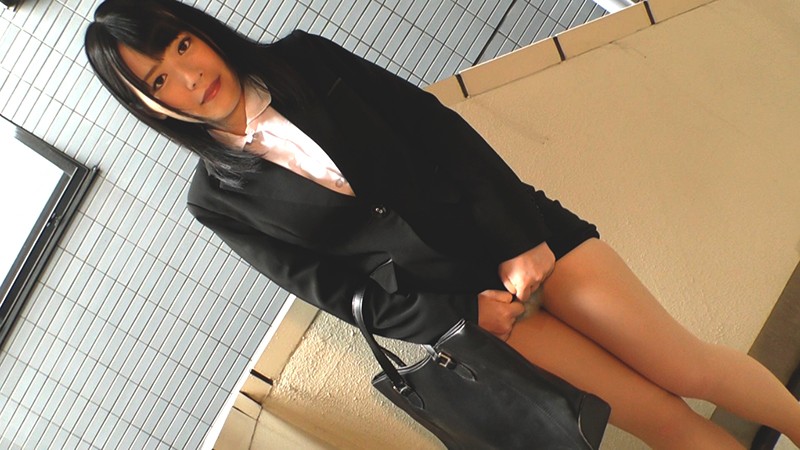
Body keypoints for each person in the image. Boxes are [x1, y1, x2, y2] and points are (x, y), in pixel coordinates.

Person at [84, 0, 800, 448]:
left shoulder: (304, 57)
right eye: (158, 79)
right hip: (478, 316)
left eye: (180, 45)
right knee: (657, 421)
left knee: (685, 367)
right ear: (147, 104)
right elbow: (333, 290)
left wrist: (520, 238)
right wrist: (460, 316)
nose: (187, 77)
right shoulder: (216, 200)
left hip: (526, 235)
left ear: (200, 31)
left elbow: (438, 132)